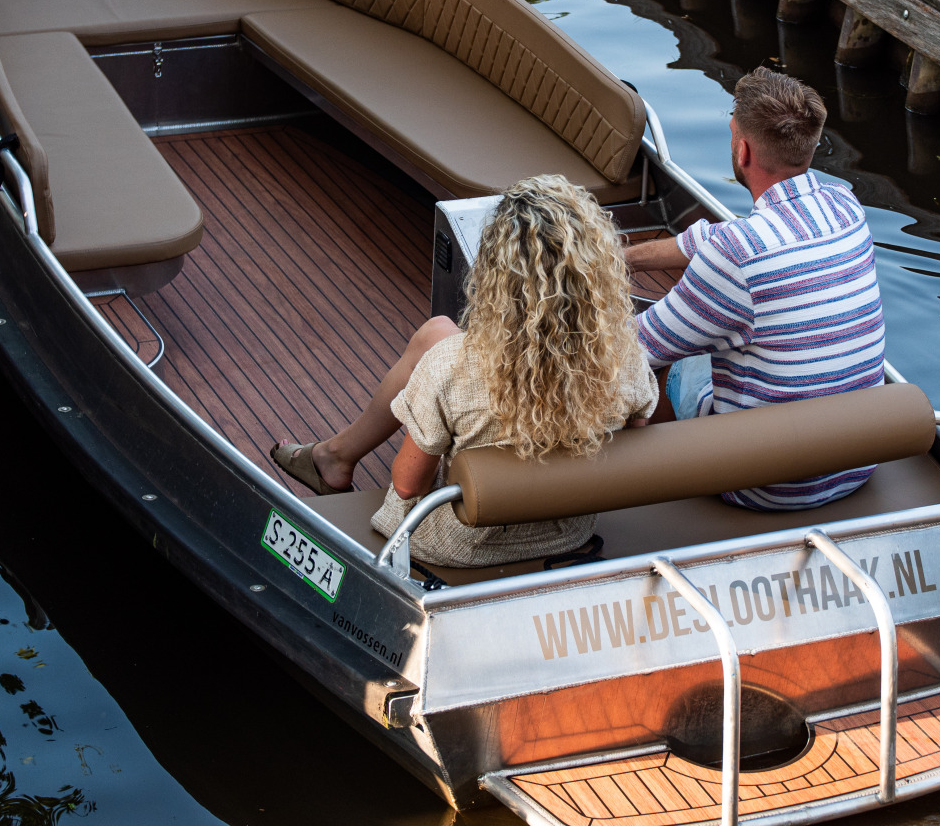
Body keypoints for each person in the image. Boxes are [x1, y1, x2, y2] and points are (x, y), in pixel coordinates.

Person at [271, 174, 657, 568]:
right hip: (568, 530)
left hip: (462, 543)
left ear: (495, 273)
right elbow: (629, 446)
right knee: (438, 332)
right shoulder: (626, 359)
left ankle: (334, 457)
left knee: (438, 339)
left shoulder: (452, 367)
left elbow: (407, 486)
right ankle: (333, 456)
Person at [627, 68, 885, 510]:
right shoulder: (846, 206)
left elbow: (631, 348)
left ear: (742, 149)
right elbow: (721, 237)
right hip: (858, 463)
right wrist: (626, 258)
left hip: (765, 486)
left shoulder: (737, 255)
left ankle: (652, 480)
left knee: (670, 364)